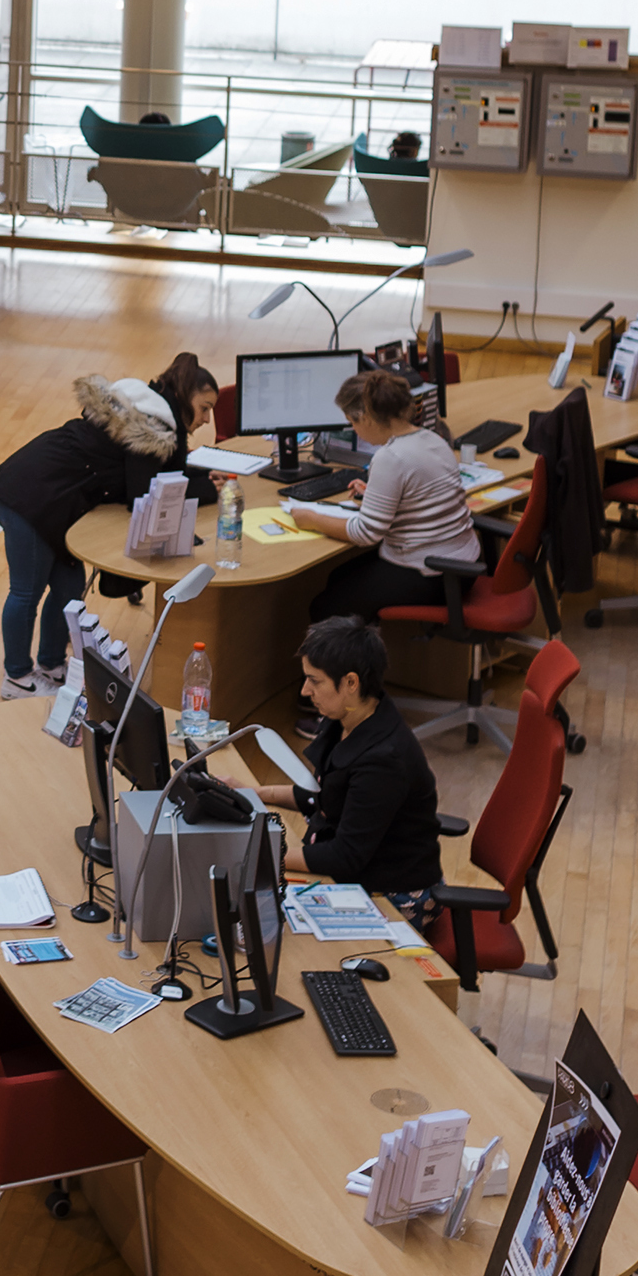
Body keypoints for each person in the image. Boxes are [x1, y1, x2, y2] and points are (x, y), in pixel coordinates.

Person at [0, 351, 221, 697]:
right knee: (26, 591)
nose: (208, 419)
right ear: (184, 398)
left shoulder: (147, 415)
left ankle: (51, 664)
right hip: (29, 497)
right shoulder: (150, 426)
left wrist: (200, 478)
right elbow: (144, 492)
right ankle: (16, 676)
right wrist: (205, 487)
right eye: (205, 407)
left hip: (57, 500)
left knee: (67, 589)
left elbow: (157, 473)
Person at [255, 615, 443, 914]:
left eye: (315, 681)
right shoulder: (349, 717)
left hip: (394, 895)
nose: (305, 690)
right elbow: (324, 793)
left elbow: (345, 857)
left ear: (351, 682)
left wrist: (261, 854)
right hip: (353, 873)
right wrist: (253, 793)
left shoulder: (384, 760)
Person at [286, 363, 483, 620]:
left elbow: (365, 533)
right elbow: (419, 495)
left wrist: (311, 519)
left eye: (352, 423)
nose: (354, 430)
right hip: (463, 565)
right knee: (337, 576)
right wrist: (377, 493)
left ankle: (356, 656)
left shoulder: (390, 457)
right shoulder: (432, 438)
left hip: (432, 573)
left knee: (325, 607)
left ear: (365, 418)